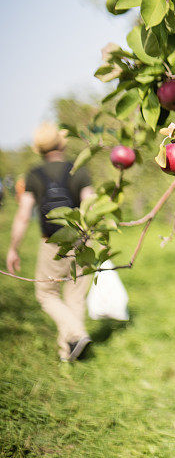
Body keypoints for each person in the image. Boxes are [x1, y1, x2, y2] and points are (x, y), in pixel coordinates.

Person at [5, 122, 95, 362]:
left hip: (51, 243)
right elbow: (91, 203)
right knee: (74, 296)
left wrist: (13, 248)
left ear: (39, 149)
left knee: (46, 294)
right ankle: (70, 351)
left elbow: (24, 214)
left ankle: (75, 338)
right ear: (62, 143)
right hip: (81, 240)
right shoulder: (78, 168)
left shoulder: (34, 175)